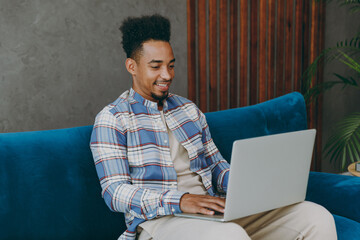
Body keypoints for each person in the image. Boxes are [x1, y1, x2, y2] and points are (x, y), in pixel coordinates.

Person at [90, 14, 337, 240]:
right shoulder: (113, 118)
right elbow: (115, 192)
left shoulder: (187, 110)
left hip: (213, 210)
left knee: (316, 218)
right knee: (230, 235)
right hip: (160, 223)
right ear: (131, 66)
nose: (166, 74)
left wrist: (252, 185)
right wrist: (181, 200)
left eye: (171, 65)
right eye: (155, 66)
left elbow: (217, 166)